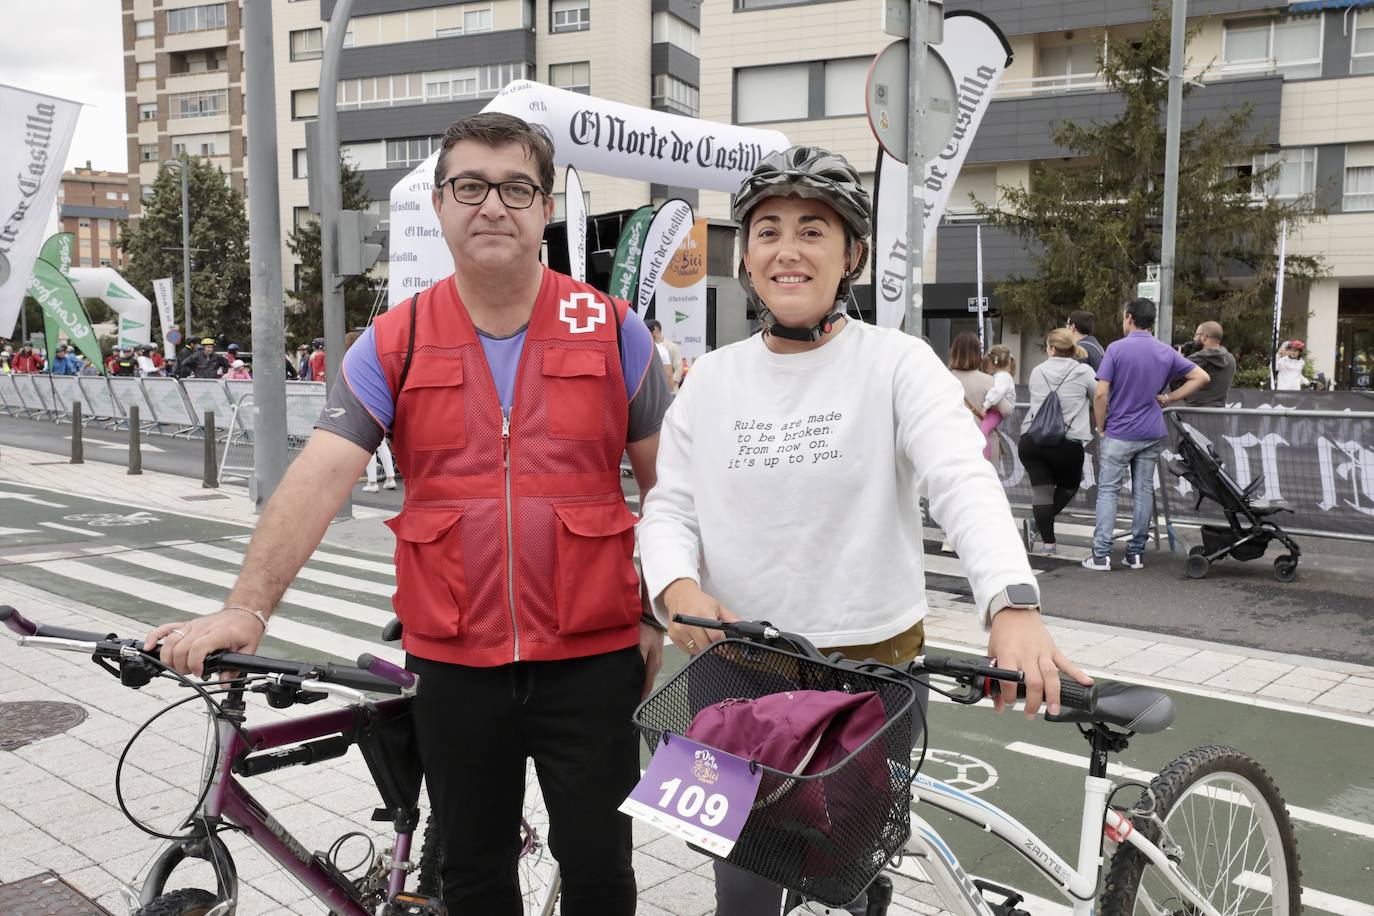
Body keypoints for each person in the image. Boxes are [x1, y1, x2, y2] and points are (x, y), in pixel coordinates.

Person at [145, 112, 670, 916]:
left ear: (545, 205)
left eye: (516, 188)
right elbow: (319, 479)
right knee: (470, 873)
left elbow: (668, 488)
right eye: (470, 186)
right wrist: (247, 607)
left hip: (592, 658)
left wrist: (656, 613)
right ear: (439, 201)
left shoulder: (611, 331)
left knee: (601, 871)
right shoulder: (395, 340)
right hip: (454, 662)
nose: (492, 205)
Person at [637, 145, 1089, 916]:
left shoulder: (898, 364)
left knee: (844, 876)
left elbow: (961, 476)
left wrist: (1011, 604)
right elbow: (669, 507)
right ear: (745, 255)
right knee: (737, 888)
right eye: (768, 229)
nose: (788, 250)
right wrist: (675, 585)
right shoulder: (711, 378)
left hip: (867, 681)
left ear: (853, 254)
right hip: (736, 675)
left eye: (814, 230)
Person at [1084, 298, 1210, 571]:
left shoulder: (1116, 349)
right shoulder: (1164, 351)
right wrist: (1169, 398)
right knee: (1143, 490)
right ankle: (1136, 553)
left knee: (1108, 491)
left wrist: (1101, 426)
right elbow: (1201, 376)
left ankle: (1101, 554)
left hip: (1119, 430)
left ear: (1129, 317)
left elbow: (1102, 393)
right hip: (1151, 429)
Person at [1018, 329, 1097, 556]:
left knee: (1041, 491)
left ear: (1051, 349)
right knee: (1069, 486)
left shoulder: (1037, 371)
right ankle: (1036, 523)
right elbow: (1097, 397)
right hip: (1067, 442)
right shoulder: (1083, 371)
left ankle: (1049, 544)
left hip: (1032, 439)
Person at [948, 332, 1014, 451]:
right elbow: (1007, 409)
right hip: (982, 443)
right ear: (978, 354)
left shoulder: (943, 378)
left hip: (952, 440)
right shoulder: (988, 380)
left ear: (953, 352)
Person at [1180, 321, 1235, 407]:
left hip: (1195, 413)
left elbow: (1176, 377)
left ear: (1204, 337)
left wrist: (1179, 359)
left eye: (1196, 335)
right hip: (1218, 413)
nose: (1194, 339)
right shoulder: (1231, 359)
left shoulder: (1198, 358)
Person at [979, 344, 1017, 461]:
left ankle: (985, 456)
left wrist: (986, 405)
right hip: (999, 409)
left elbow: (997, 391)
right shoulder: (1004, 376)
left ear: (993, 363)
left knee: (983, 430)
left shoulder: (1002, 377)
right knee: (984, 429)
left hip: (998, 411)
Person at [645, 318, 683, 392]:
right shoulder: (646, 347)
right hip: (653, 390)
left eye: (647, 330)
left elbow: (679, 368)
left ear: (655, 330)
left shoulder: (672, 347)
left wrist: (670, 384)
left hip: (671, 391)